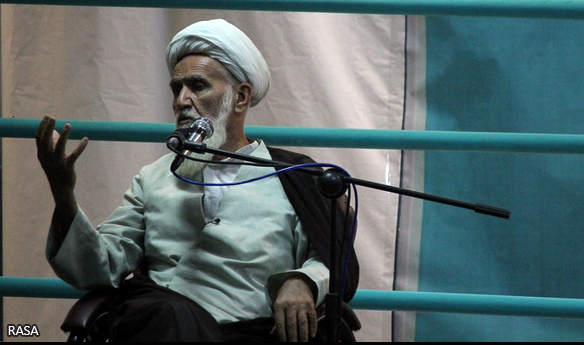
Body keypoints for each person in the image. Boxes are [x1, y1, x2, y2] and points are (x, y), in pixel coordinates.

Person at [36, 19, 358, 342]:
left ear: (240, 97)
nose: (181, 101)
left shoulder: (293, 177)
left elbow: (331, 260)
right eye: (177, 89)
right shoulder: (153, 178)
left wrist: (303, 281)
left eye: (198, 86)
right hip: (162, 327)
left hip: (251, 333)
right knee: (168, 314)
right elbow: (98, 267)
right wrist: (64, 195)